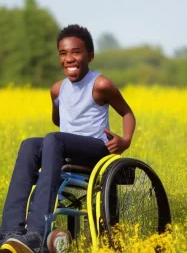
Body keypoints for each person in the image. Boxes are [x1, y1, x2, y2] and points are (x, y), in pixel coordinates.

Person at [0, 24, 136, 253]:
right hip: (65, 148)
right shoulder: (57, 90)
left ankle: (36, 233)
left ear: (90, 56)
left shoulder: (100, 84)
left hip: (97, 150)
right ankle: (9, 232)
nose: (69, 59)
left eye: (76, 52)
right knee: (30, 144)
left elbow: (127, 113)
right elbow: (58, 121)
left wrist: (125, 140)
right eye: (63, 53)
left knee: (53, 139)